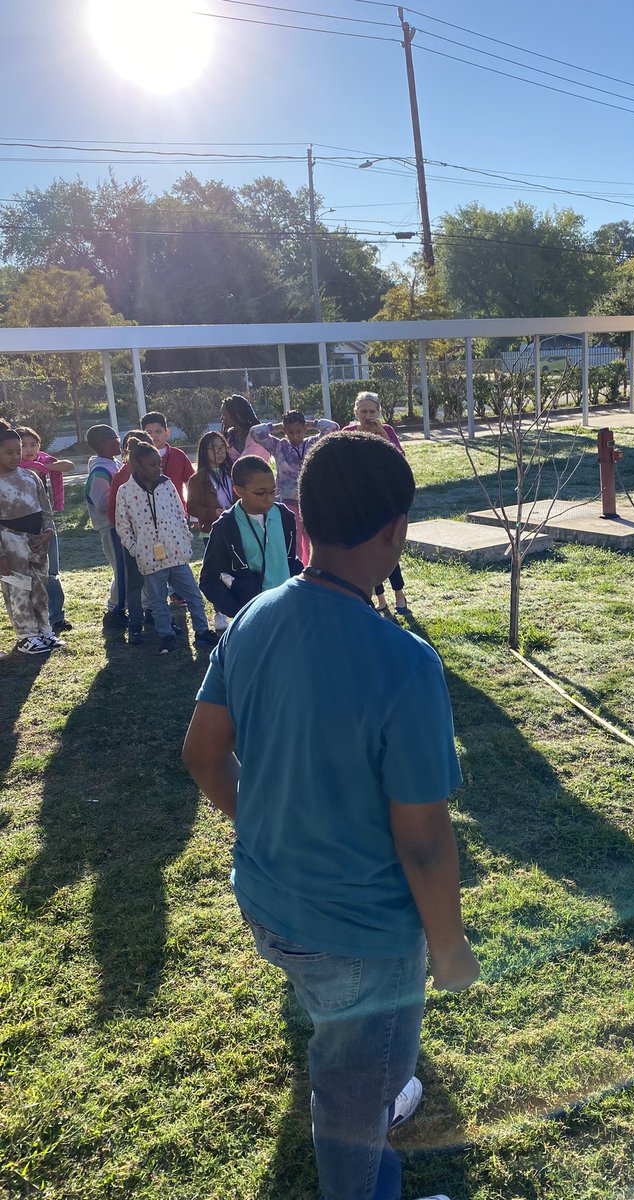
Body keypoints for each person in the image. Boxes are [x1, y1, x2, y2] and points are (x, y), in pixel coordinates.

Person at [183, 431, 478, 1200]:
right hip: (362, 940)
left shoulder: (250, 620)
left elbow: (203, 754)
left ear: (300, 517)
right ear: (394, 530)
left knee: (347, 1051)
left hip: (270, 904)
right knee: (348, 1097)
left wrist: (257, 823)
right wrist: (448, 951)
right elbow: (421, 840)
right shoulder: (406, 663)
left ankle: (378, 1084)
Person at [115, 441, 219, 655]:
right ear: (136, 464)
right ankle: (166, 634)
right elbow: (122, 526)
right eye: (152, 464)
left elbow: (179, 512)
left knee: (193, 595)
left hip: (176, 552)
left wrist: (184, 538)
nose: (158, 468)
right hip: (150, 558)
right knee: (157, 600)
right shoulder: (125, 492)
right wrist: (136, 549)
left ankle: (202, 630)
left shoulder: (167, 484)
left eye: (159, 463)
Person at [198, 455, 301, 618]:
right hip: (254, 615)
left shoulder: (285, 516)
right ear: (238, 491)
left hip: (289, 609)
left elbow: (290, 560)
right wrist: (239, 611)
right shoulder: (225, 527)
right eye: (260, 493)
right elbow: (209, 580)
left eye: (273, 491)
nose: (269, 499)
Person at [343, 392, 409, 616]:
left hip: (385, 499)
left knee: (388, 547)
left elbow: (399, 459)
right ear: (356, 413)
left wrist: (381, 434)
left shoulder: (387, 431)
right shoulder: (348, 433)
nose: (368, 415)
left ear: (379, 412)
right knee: (367, 550)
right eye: (363, 411)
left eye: (372, 411)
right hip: (359, 501)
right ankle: (380, 598)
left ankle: (400, 594)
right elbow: (343, 463)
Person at [0, 422, 63, 654]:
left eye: (18, 450)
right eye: (9, 452)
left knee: (40, 587)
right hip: (10, 543)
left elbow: (44, 508)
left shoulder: (30, 477)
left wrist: (48, 531)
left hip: (37, 541)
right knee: (18, 589)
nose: (16, 456)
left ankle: (45, 630)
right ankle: (26, 636)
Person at [249, 410, 339, 565]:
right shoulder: (279, 446)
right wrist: (275, 427)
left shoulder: (313, 443)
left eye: (299, 431)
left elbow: (333, 427)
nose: (295, 436)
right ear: (285, 432)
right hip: (289, 501)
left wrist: (313, 423)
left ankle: (311, 567)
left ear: (305, 429)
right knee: (293, 537)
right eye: (290, 432)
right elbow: (255, 432)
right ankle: (296, 568)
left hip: (311, 500)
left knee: (311, 537)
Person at [18, 426, 73, 634]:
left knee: (51, 573)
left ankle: (57, 617)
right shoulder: (12, 470)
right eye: (23, 445)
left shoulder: (43, 462)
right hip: (21, 527)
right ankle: (32, 621)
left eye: (33, 444)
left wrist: (48, 466)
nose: (29, 449)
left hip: (45, 523)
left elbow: (68, 465)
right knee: (26, 575)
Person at [108, 430, 155, 645]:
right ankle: (135, 625)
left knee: (157, 581)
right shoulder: (122, 478)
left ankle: (154, 614)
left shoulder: (157, 478)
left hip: (157, 541)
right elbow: (114, 513)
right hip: (134, 544)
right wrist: (130, 541)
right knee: (135, 583)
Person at [188, 431, 235, 632]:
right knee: (217, 572)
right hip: (212, 532)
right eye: (213, 448)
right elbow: (192, 506)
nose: (219, 452)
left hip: (234, 528)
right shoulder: (197, 479)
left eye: (222, 447)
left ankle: (238, 606)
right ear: (204, 452)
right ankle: (220, 612)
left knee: (235, 571)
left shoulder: (233, 473)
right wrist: (213, 512)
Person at [84, 424, 126, 628]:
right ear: (103, 443)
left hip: (121, 526)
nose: (119, 441)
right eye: (114, 438)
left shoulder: (113, 463)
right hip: (110, 528)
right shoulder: (100, 471)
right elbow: (102, 503)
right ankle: (115, 608)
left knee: (127, 567)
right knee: (121, 568)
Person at [140, 411, 195, 512]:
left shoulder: (179, 456)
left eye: (158, 431)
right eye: (149, 433)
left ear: (167, 433)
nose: (154, 436)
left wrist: (194, 515)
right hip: (148, 515)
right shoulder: (138, 459)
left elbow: (192, 484)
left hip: (177, 513)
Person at [221, 394, 270, 464]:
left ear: (236, 414)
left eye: (224, 414)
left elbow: (246, 466)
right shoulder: (230, 434)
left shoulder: (257, 437)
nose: (221, 418)